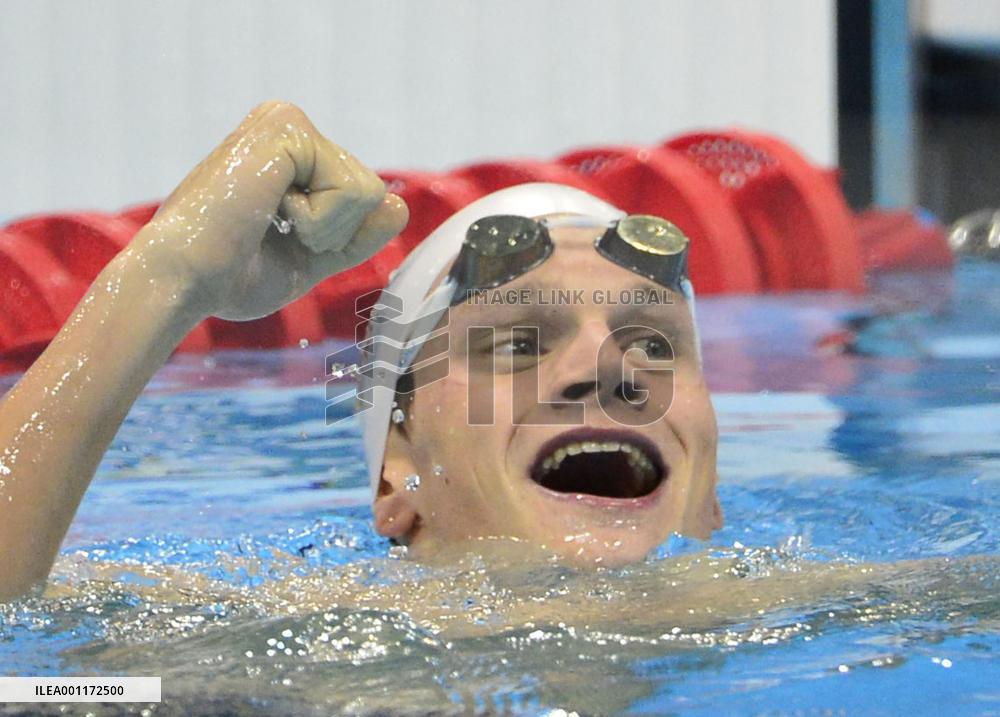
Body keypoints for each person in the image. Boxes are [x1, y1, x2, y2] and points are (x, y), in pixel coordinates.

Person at [0, 101, 721, 602]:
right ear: (395, 478)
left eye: (654, 343)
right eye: (519, 343)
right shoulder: (285, 657)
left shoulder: (822, 617)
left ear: (711, 489)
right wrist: (168, 277)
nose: (609, 372)